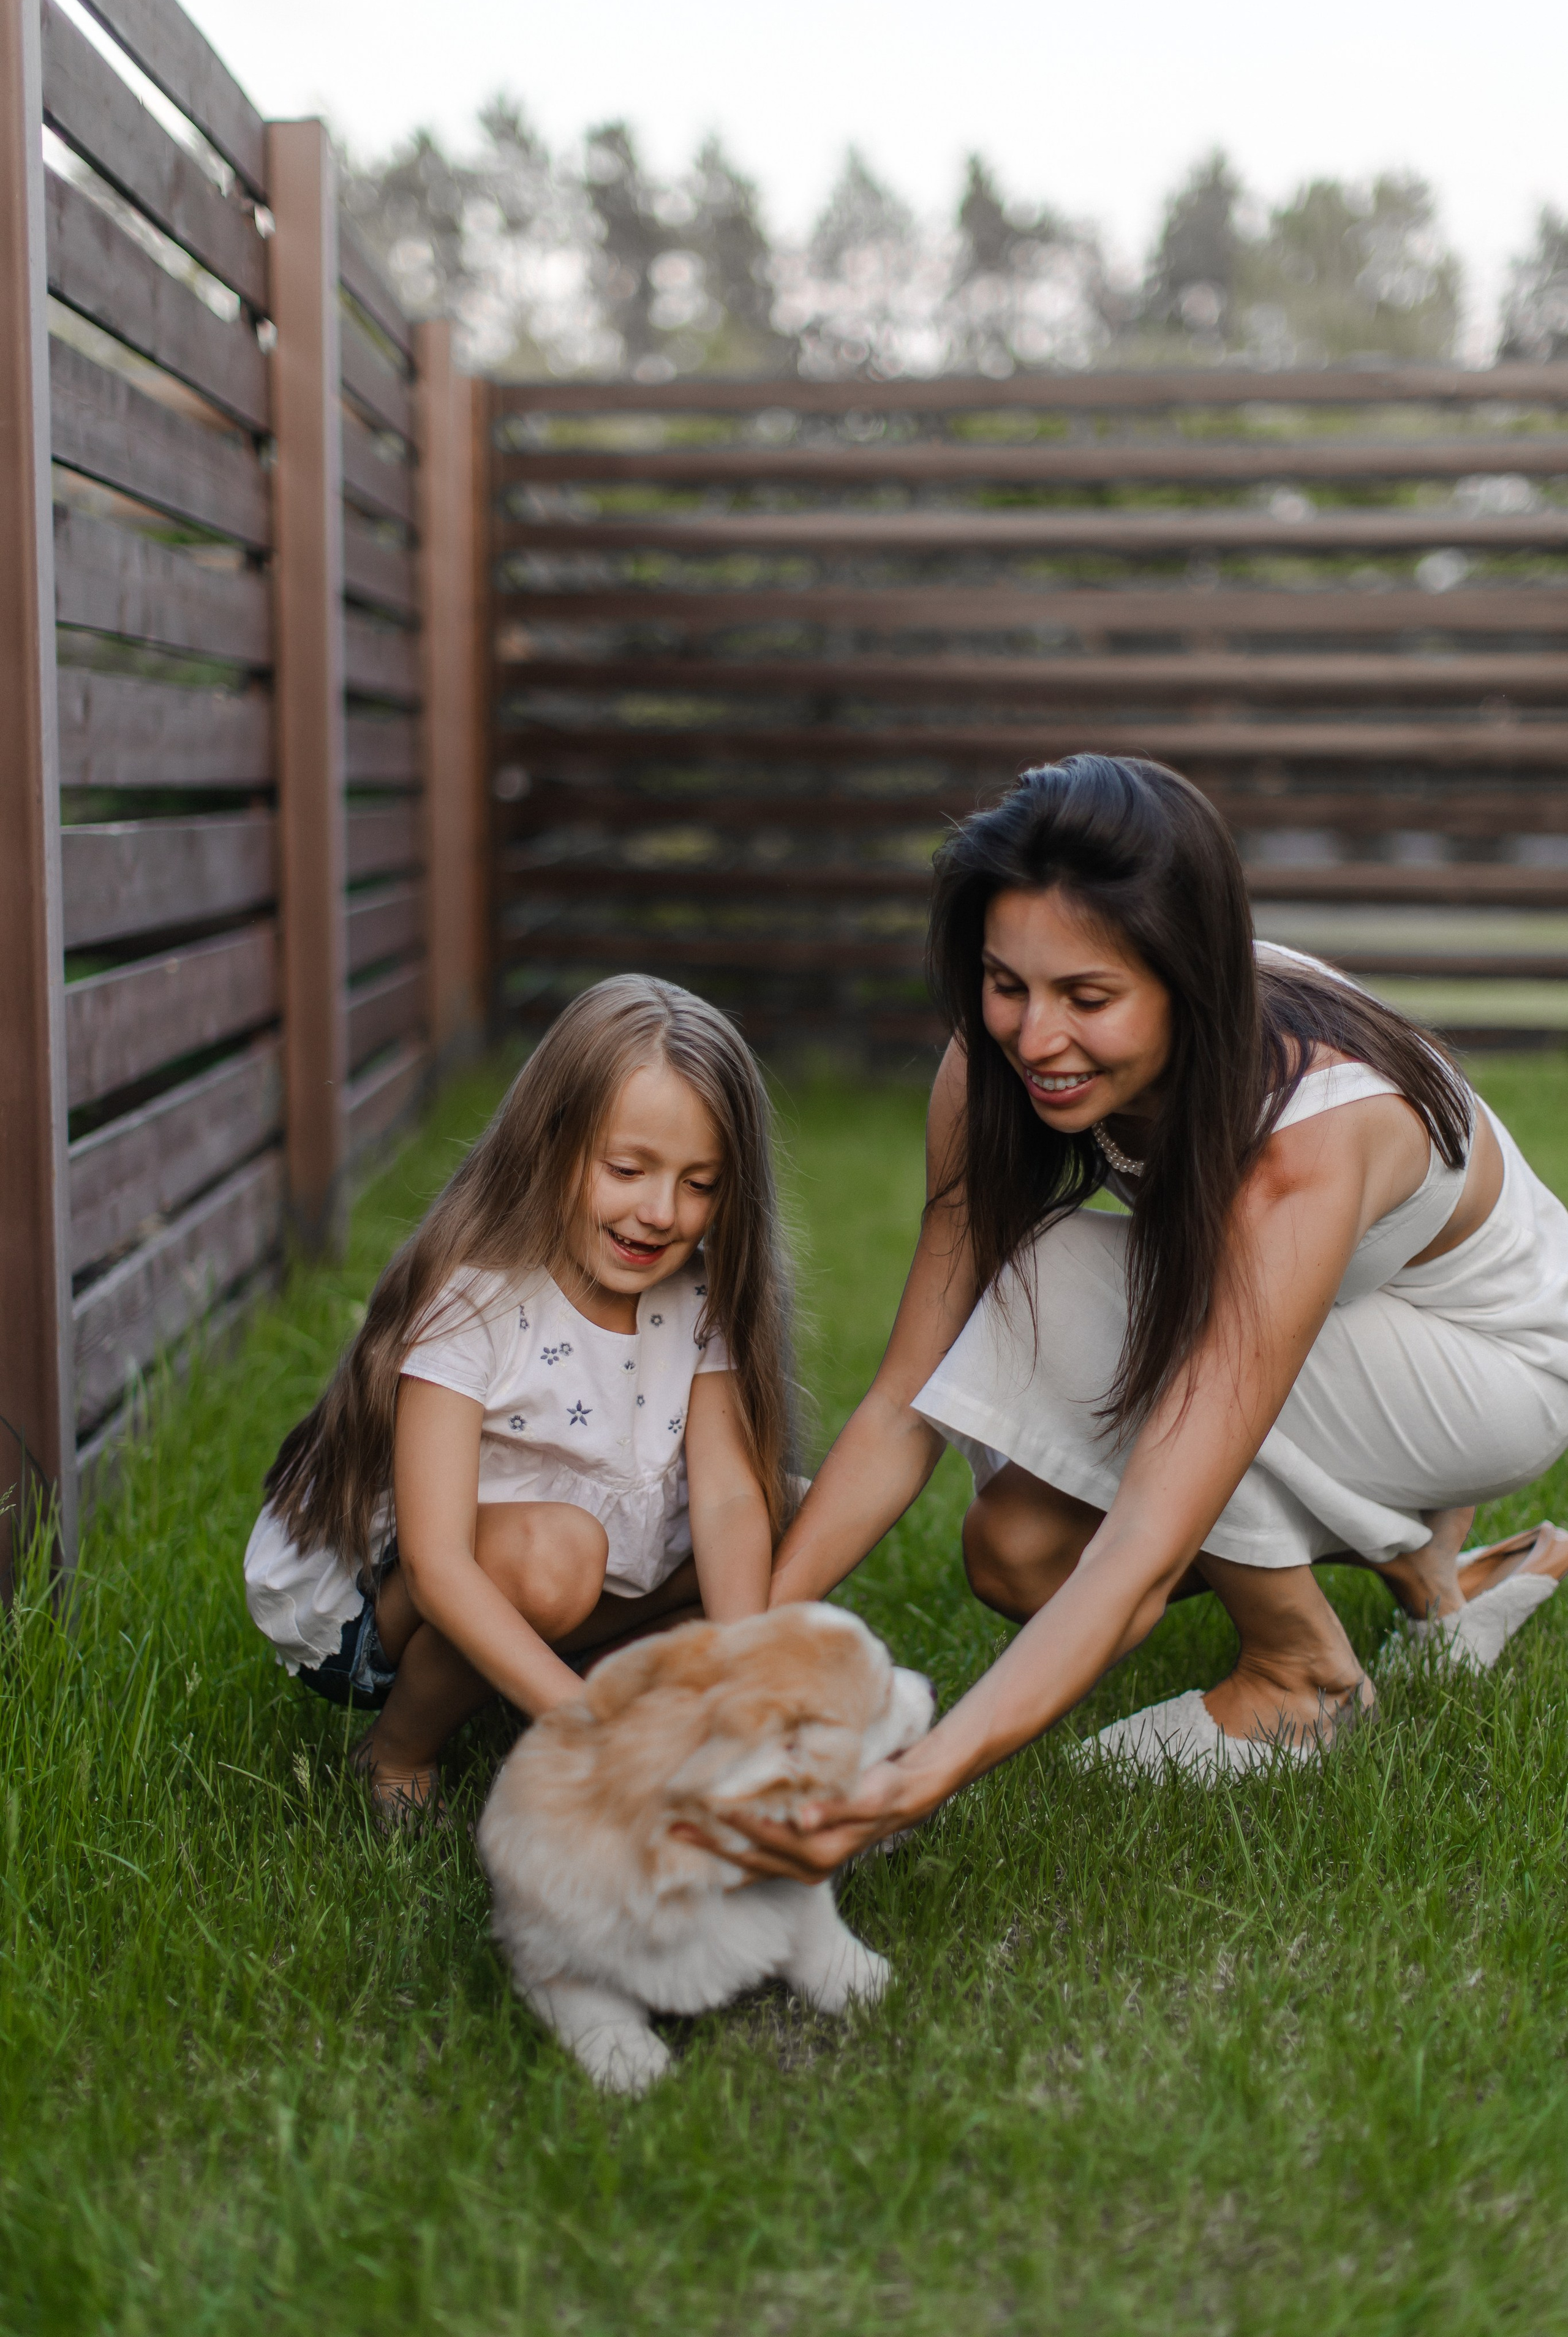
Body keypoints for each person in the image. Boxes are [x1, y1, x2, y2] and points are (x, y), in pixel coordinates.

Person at [710, 756, 1568, 1879]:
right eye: (1005, 982)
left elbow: (1147, 1548)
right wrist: (722, 1657)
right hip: (1340, 1333)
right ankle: (1416, 1557)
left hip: (1493, 1369)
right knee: (1016, 1555)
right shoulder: (997, 1063)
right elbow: (898, 1405)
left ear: (1189, 978)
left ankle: (1304, 1675)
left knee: (1072, 1272)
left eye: (1089, 999)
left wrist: (910, 1782)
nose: (1033, 1036)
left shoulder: (1307, 1136)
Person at [244, 975, 795, 1819]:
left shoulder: (700, 1295)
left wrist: (751, 1680)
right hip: (387, 1612)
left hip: (577, 1567)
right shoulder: (478, 1300)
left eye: (700, 1184)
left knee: (790, 1516)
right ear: (553, 1139)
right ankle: (396, 1750)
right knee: (554, 1557)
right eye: (628, 1168)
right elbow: (436, 1566)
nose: (660, 1212)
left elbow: (724, 1499)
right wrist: (590, 1732)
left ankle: (673, 1711)